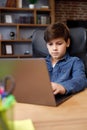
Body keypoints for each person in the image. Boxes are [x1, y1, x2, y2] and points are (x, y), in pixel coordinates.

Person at [44, 22, 87, 95]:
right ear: (46, 45)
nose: (54, 48)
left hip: (64, 101)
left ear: (67, 43)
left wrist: (63, 87)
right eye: (50, 44)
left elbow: (81, 80)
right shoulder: (41, 63)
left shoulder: (75, 62)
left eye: (59, 43)